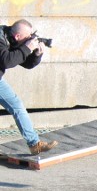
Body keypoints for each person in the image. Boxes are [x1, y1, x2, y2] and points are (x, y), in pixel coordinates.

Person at [0, 19, 58, 155]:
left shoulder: (13, 38)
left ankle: (34, 144)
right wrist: (27, 48)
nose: (30, 40)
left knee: (17, 106)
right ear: (17, 37)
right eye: (27, 37)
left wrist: (36, 55)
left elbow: (25, 62)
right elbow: (7, 60)